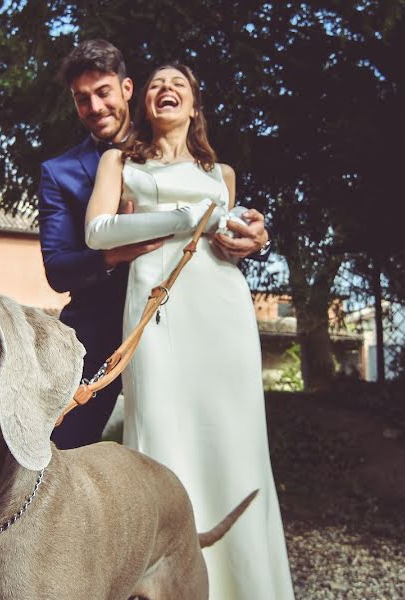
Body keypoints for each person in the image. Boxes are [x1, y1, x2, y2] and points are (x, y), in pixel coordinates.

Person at [83, 63, 295, 599]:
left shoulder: (220, 174)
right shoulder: (121, 161)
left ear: (195, 106)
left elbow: (229, 234)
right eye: (155, 84)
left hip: (222, 313)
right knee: (162, 435)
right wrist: (184, 216)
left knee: (235, 441)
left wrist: (251, 236)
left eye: (178, 84)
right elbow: (97, 231)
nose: (166, 89)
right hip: (159, 312)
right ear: (144, 104)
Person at [39, 40, 270, 450]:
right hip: (101, 326)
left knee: (208, 436)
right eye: (82, 99)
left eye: (103, 93)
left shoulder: (197, 159)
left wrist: (260, 241)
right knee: (62, 446)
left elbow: (218, 232)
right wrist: (113, 251)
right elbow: (58, 268)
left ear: (128, 90)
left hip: (192, 314)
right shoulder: (59, 173)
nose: (94, 107)